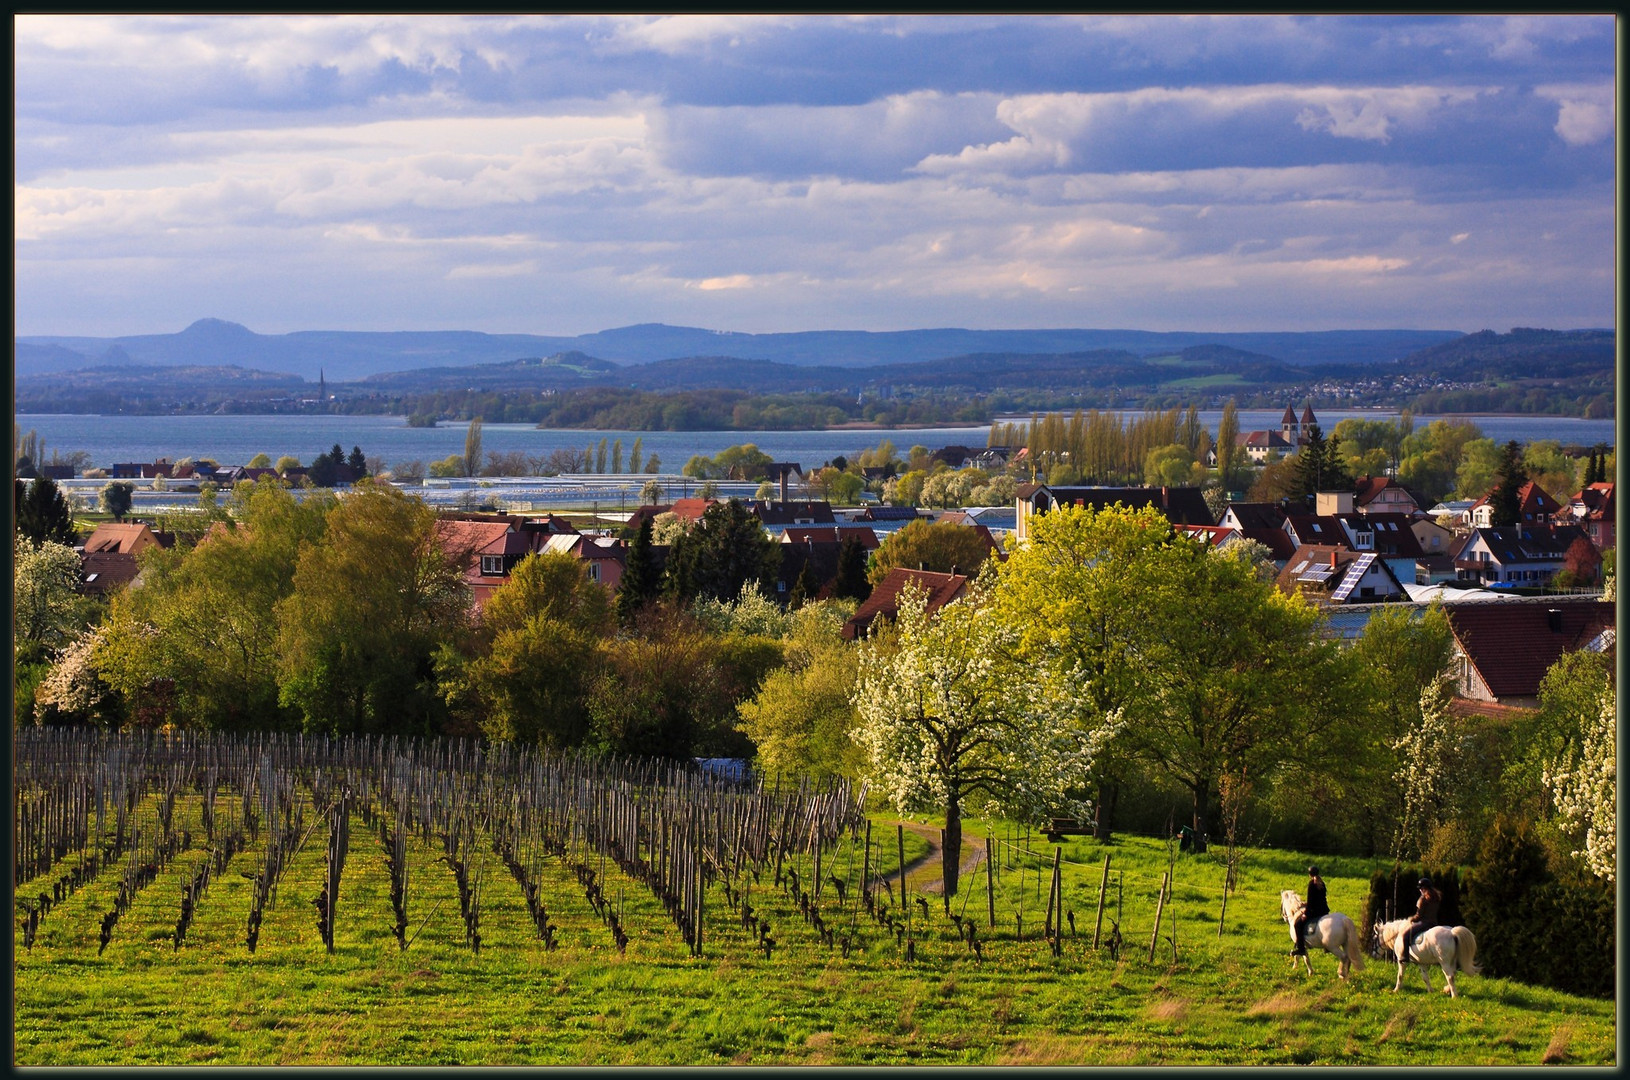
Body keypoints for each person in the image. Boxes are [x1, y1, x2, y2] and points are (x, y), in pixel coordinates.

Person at [1399, 877, 1441, 959]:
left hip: (1424, 923)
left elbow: (1419, 915)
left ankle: (1405, 957)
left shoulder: (1422, 899)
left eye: (1421, 888)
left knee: (1405, 936)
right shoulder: (1436, 897)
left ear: (1423, 888)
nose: (1420, 890)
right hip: (1434, 923)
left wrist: (1411, 919)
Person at [1292, 865, 1329, 956]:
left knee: (1297, 924)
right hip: (1324, 911)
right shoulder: (1322, 883)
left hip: (1315, 911)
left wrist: (1306, 914)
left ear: (1310, 874)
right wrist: (1306, 904)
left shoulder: (1312, 883)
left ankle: (1301, 949)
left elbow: (1311, 901)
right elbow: (1319, 899)